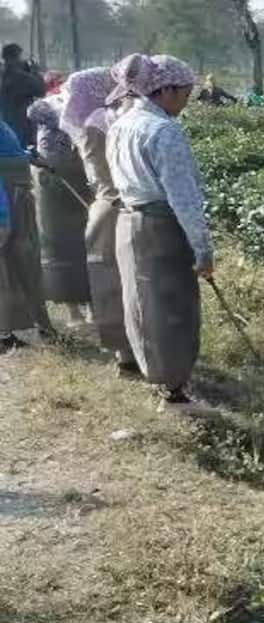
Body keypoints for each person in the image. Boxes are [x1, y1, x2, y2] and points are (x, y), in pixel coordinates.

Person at [105, 54, 210, 406]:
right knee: (172, 306)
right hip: (161, 227)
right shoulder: (164, 131)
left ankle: (156, 374)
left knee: (141, 302)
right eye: (185, 93)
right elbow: (183, 197)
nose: (186, 101)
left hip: (128, 222)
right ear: (164, 89)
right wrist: (203, 249)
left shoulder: (120, 123)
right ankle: (174, 389)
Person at [60, 66, 138, 375]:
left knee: (110, 285)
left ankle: (125, 355)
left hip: (104, 210)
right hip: (124, 208)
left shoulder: (89, 125)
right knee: (131, 284)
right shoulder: (107, 121)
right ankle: (141, 353)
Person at [24, 95, 89, 313]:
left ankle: (83, 307)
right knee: (67, 251)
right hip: (58, 202)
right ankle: (76, 309)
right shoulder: (54, 134)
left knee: (77, 249)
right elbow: (57, 164)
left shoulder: (55, 133)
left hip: (65, 199)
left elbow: (57, 163)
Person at [0, 117, 48, 351]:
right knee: (17, 260)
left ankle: (16, 328)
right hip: (9, 198)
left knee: (20, 261)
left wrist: (26, 156)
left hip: (14, 195)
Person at [1, 44, 43, 148]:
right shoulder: (21, 78)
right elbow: (41, 91)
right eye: (19, 57)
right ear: (13, 58)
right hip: (19, 123)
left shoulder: (5, 74)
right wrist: (35, 72)